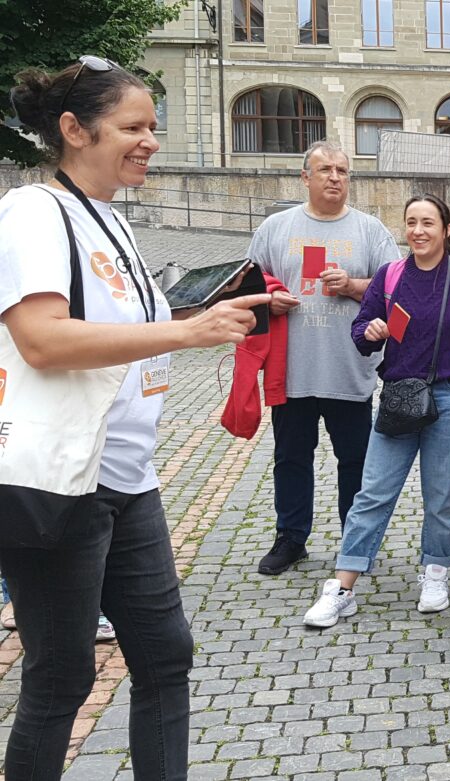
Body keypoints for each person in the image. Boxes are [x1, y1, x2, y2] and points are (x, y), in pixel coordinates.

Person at [0, 57, 269, 781]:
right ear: (73, 129)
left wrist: (206, 310)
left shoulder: (111, 218)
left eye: (154, 125)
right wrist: (188, 333)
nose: (151, 139)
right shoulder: (33, 212)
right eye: (133, 126)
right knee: (61, 677)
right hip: (61, 483)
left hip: (127, 478)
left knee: (165, 657)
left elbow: (131, 326)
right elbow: (44, 339)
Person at [302, 194, 450, 626]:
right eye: (411, 222)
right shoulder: (390, 275)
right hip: (400, 395)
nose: (418, 231)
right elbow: (361, 332)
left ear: (447, 229)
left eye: (428, 223)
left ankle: (435, 570)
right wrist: (372, 329)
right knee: (373, 492)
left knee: (441, 495)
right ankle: (343, 586)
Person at [246, 140, 400, 576]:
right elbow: (248, 287)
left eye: (342, 171)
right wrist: (269, 301)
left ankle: (356, 543)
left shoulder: (370, 230)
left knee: (356, 462)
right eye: (326, 169)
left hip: (349, 368)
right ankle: (291, 537)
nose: (335, 177)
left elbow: (398, 289)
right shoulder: (276, 228)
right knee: (291, 458)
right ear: (305, 177)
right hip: (292, 369)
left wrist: (353, 286)